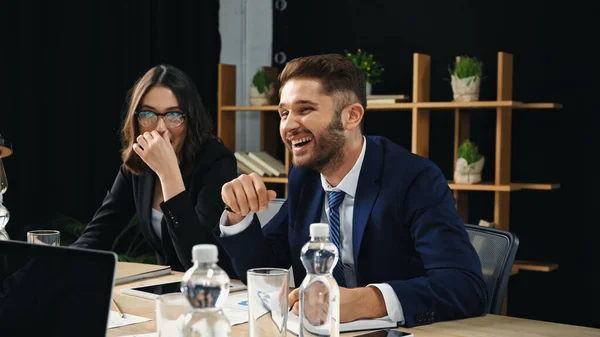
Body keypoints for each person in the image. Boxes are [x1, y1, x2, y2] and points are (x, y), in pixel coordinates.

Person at [214, 54, 488, 327]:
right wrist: (237, 216)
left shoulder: (415, 179)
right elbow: (264, 264)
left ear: (352, 116)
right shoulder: (305, 176)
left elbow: (465, 286)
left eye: (305, 109)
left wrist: (364, 301)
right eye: (284, 113)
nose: (289, 125)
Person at [72, 64, 237, 275]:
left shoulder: (216, 162)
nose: (160, 128)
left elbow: (198, 261)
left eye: (174, 116)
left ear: (190, 120)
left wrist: (168, 173)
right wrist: (61, 265)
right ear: (136, 119)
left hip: (220, 290)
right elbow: (98, 234)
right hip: (166, 289)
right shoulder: (138, 165)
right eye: (149, 114)